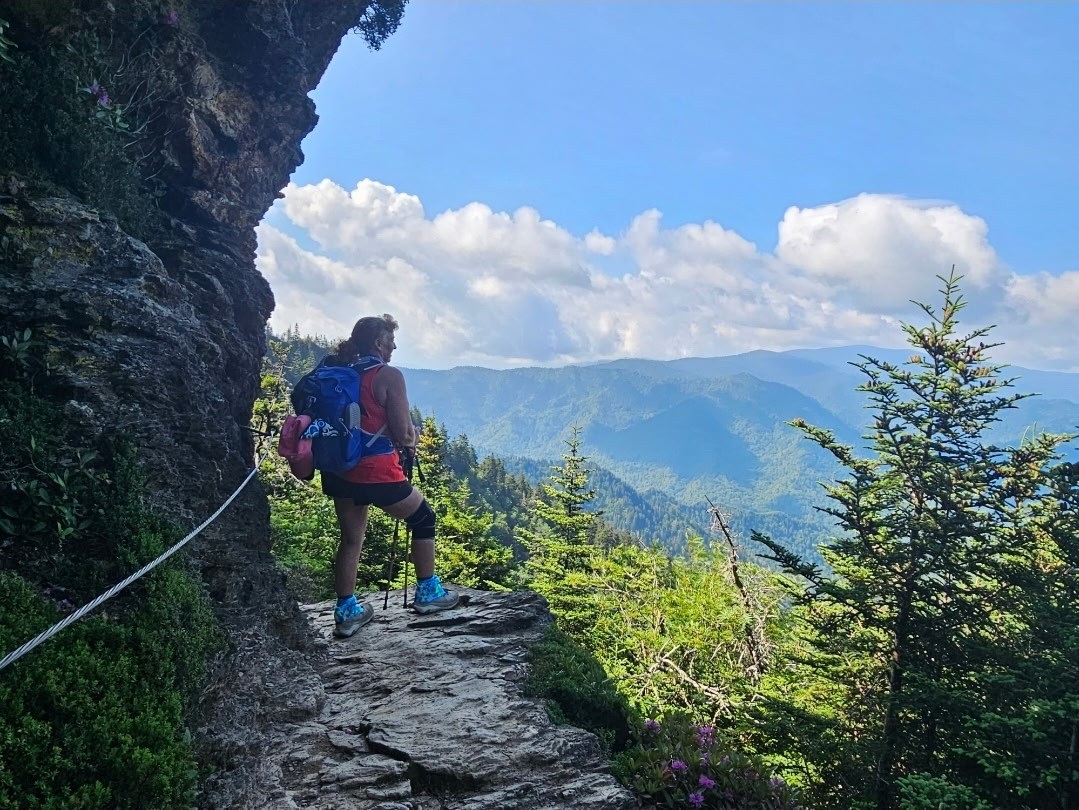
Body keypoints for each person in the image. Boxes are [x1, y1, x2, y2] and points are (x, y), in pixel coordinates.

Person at [320, 313, 459, 638]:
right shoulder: (388, 376)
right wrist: (413, 436)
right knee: (423, 518)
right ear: (379, 342)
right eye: (391, 340)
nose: (395, 345)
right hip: (376, 471)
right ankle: (428, 594)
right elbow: (404, 434)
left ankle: (346, 611)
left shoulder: (339, 372)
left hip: (340, 468)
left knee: (351, 539)